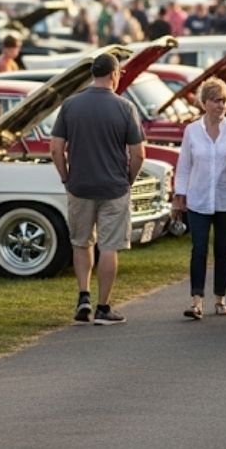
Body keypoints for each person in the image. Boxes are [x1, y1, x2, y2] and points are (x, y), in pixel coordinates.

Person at [50, 53, 146, 326]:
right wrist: (129, 179)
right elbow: (138, 154)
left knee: (81, 242)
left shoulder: (70, 105)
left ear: (93, 73)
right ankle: (103, 308)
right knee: (109, 246)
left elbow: (56, 149)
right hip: (114, 186)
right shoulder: (125, 108)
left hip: (79, 184)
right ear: (114, 74)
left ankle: (83, 297)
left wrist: (66, 177)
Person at [172, 77, 226, 320]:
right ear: (204, 103)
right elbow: (184, 165)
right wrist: (180, 194)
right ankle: (196, 301)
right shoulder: (192, 131)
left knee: (222, 249)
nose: (221, 105)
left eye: (224, 100)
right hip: (198, 198)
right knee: (199, 249)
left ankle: (220, 299)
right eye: (216, 100)